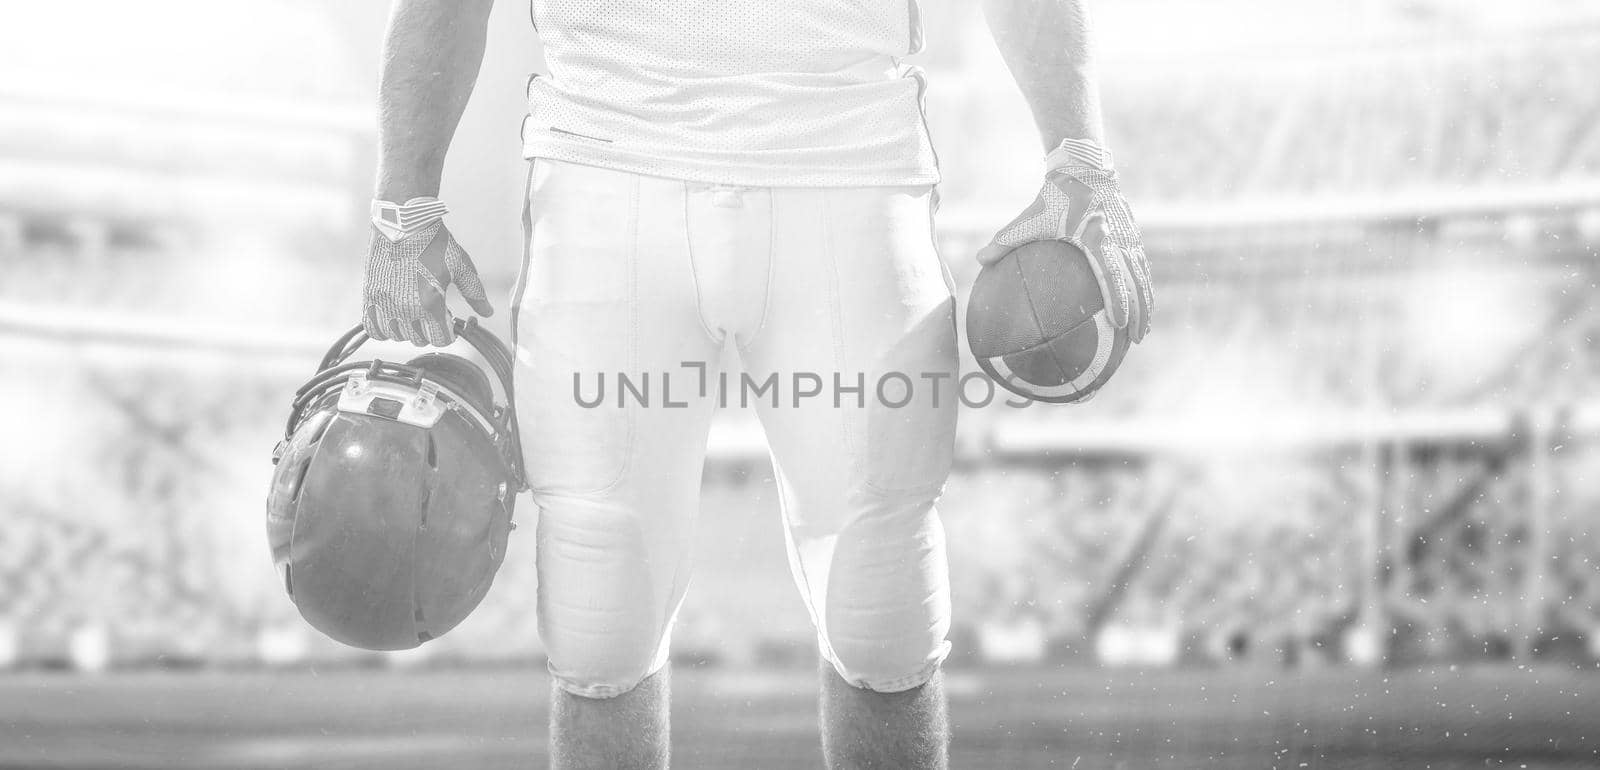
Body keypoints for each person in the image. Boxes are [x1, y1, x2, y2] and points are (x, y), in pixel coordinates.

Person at [360, 1, 1152, 767]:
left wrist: (1080, 155)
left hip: (849, 167)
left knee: (882, 615)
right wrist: (403, 207)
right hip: (607, 172)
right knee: (601, 625)